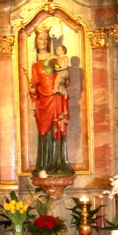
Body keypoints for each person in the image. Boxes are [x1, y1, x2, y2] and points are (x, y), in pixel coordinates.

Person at [27, 27, 73, 176]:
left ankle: (58, 164)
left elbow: (66, 77)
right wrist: (33, 90)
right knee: (43, 131)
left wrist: (62, 82)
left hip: (56, 97)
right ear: (36, 41)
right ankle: (44, 165)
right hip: (42, 99)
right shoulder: (34, 65)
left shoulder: (55, 59)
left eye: (46, 39)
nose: (43, 42)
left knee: (56, 129)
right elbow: (34, 84)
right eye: (40, 38)